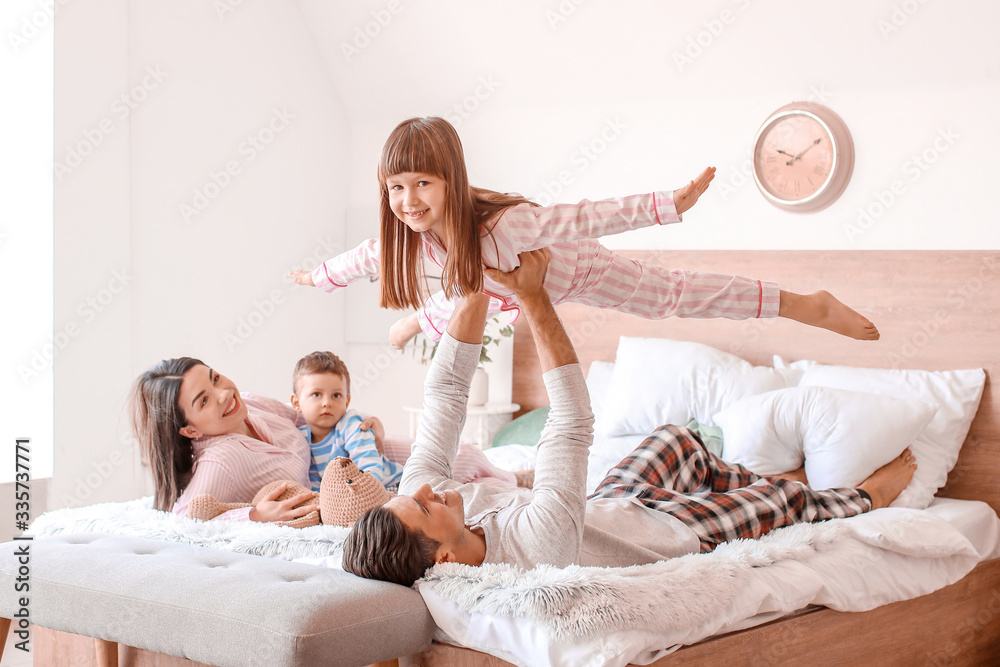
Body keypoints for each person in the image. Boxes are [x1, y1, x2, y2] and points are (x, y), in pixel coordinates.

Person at [341, 248, 916, 587]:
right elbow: (569, 423)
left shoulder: (432, 501)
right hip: (666, 533)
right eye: (423, 507)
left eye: (413, 494)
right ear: (443, 558)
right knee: (787, 505)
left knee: (676, 439)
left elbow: (444, 396)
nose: (427, 491)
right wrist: (536, 300)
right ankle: (863, 499)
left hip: (609, 507)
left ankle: (749, 482)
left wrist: (475, 288)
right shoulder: (537, 549)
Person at [289, 116, 879, 350]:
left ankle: (802, 305)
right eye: (396, 188)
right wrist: (316, 276)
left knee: (670, 299)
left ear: (450, 180)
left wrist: (665, 205)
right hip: (507, 297)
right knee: (458, 298)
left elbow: (586, 217)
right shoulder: (411, 239)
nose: (408, 201)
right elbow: (364, 257)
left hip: (582, 272)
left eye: (421, 184)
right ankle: (421, 319)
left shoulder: (506, 224)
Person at [291, 350, 527, 492]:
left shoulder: (351, 425)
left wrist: (358, 494)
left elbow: (370, 467)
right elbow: (310, 480)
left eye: (336, 395)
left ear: (347, 399)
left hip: (395, 485)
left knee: (468, 487)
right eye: (316, 395)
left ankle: (518, 478)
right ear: (296, 403)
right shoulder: (299, 438)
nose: (326, 403)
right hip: (347, 497)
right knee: (470, 488)